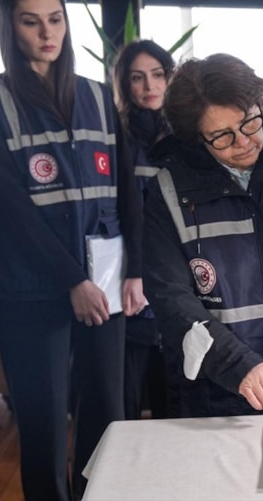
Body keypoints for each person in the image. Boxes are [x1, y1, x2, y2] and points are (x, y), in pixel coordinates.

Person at [0, 0, 145, 500]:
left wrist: (134, 270)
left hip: (105, 280)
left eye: (55, 19)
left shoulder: (98, 96)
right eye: (31, 22)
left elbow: (126, 188)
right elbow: (10, 207)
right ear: (9, 27)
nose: (47, 33)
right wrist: (72, 279)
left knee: (106, 416)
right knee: (43, 423)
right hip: (32, 289)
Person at [143, 53, 263, 418]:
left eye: (249, 122)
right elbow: (170, 298)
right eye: (222, 136)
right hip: (215, 393)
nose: (244, 141)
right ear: (196, 137)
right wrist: (237, 364)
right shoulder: (167, 192)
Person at [112, 39, 175, 420]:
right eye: (138, 78)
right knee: (127, 395)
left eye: (157, 74)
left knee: (171, 392)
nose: (149, 86)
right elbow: (126, 211)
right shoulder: (117, 134)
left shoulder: (185, 133)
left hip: (175, 272)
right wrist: (134, 270)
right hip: (129, 274)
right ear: (125, 84)